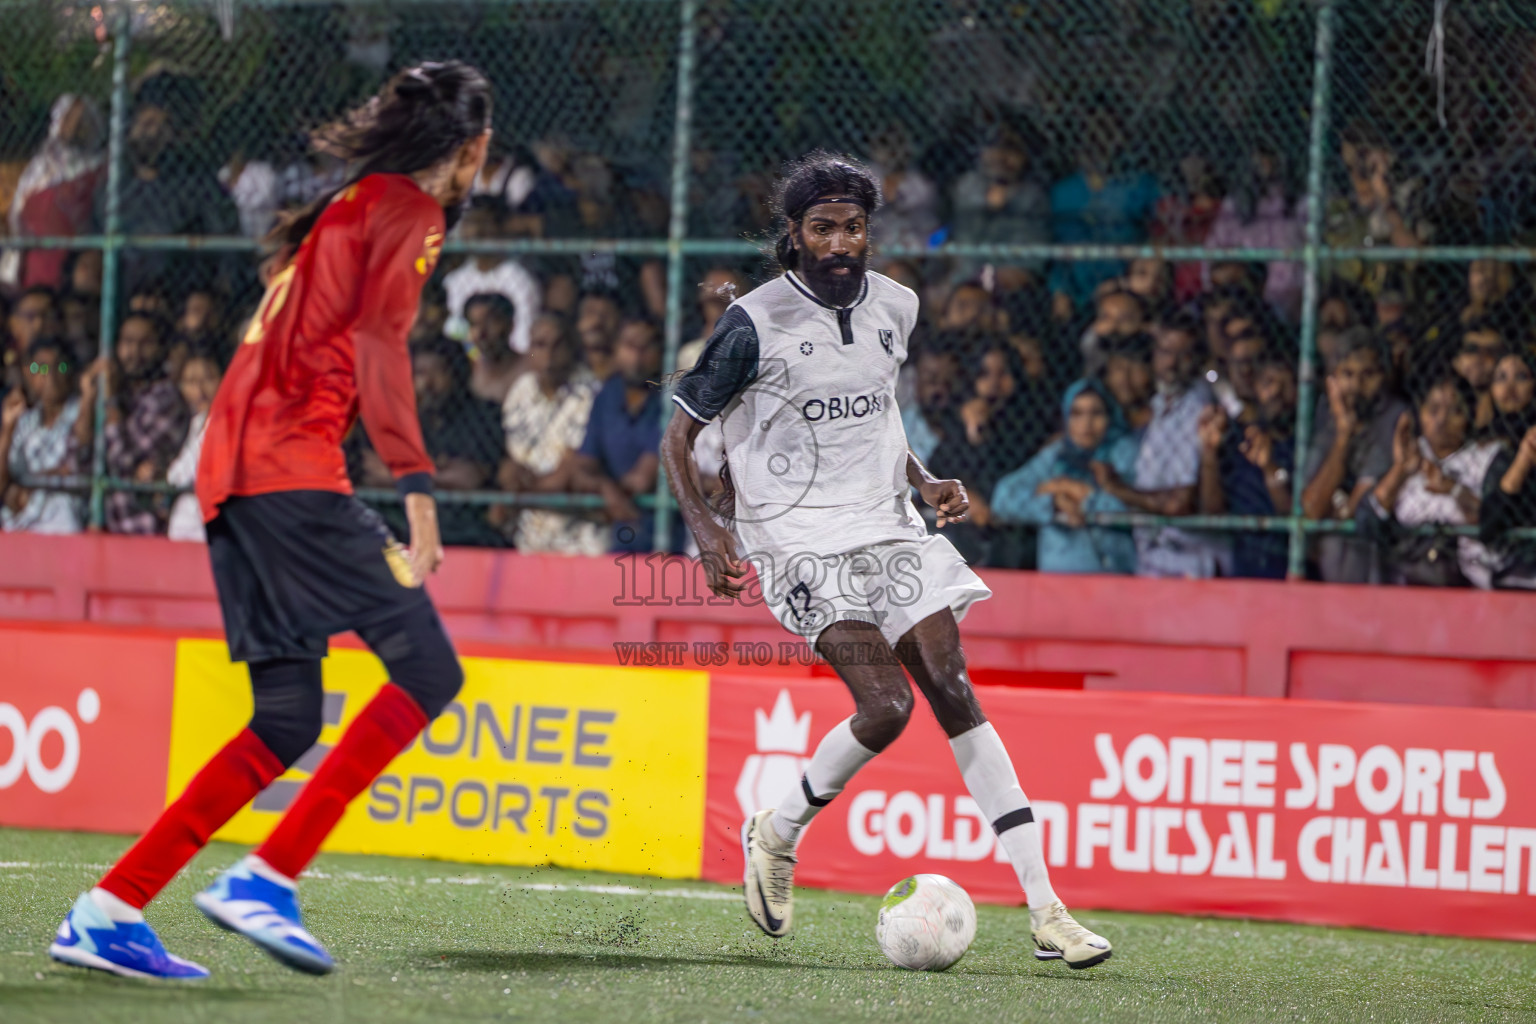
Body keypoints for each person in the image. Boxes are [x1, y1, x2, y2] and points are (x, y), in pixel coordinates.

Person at [48, 61, 492, 982]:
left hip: (232, 474)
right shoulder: (414, 209)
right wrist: (416, 486)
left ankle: (109, 907)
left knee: (287, 717)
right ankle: (269, 877)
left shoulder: (354, 199)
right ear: (473, 149)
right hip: (293, 471)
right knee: (428, 668)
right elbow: (379, 341)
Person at [660, 153, 1111, 968]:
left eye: (854, 227)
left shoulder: (896, 305)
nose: (841, 242)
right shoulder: (752, 322)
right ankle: (778, 829)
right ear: (794, 236)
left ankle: (1049, 912)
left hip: (887, 521)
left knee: (953, 688)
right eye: (823, 228)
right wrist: (707, 532)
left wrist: (923, 477)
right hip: (795, 538)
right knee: (888, 707)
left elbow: (878, 410)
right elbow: (681, 433)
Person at [1094, 316, 1231, 579]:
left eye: (1184, 354)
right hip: (1154, 563)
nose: (1171, 363)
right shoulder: (1158, 407)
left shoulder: (1200, 408)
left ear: (1197, 359)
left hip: (1191, 564)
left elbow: (1180, 503)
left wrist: (1118, 489)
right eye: (1166, 352)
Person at [1360, 374, 1500, 587]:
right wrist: (1401, 469)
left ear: (1469, 418)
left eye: (1455, 411)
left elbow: (1494, 523)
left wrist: (1452, 489)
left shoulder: (1483, 458)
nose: (1441, 420)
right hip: (1408, 573)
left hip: (1469, 577)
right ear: (1420, 414)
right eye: (1433, 410)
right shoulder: (1410, 452)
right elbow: (1367, 520)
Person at [991, 379, 1139, 574]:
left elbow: (1131, 507)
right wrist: (1053, 502)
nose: (1086, 423)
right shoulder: (1056, 455)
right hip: (1057, 581)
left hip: (1113, 575)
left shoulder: (1124, 453)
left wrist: (1083, 496)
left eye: (1096, 413)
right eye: (1076, 413)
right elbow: (1002, 497)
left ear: (1110, 416)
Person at [1301, 327, 1409, 583]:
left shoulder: (1395, 417)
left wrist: (1337, 507)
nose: (1357, 386)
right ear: (1333, 381)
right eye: (1347, 374)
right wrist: (1343, 434)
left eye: (1368, 374)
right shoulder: (1326, 414)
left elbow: (1358, 511)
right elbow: (1311, 508)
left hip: (1381, 556)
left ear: (1384, 376)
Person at [572, 317, 683, 553]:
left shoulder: (670, 400)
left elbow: (643, 479)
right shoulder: (606, 396)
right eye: (629, 346)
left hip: (665, 536)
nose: (636, 356)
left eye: (646, 347)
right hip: (618, 534)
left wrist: (605, 489)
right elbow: (583, 465)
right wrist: (605, 487)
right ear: (616, 350)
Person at [496, 312, 603, 554]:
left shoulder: (591, 393)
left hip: (580, 536)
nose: (549, 356)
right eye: (539, 345)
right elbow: (512, 465)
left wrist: (520, 490)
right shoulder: (520, 391)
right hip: (529, 532)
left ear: (572, 348)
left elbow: (570, 471)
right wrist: (518, 482)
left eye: (558, 345)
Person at [78, 312, 189, 536]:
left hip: (144, 530)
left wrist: (109, 399)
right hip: (104, 528)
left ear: (161, 348)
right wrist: (88, 400)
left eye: (145, 343)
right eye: (127, 342)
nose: (134, 352)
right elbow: (77, 458)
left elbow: (124, 462)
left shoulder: (166, 398)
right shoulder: (119, 393)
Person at [2, 95, 105, 291]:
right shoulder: (40, 167)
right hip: (35, 254)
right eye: (69, 118)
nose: (74, 127)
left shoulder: (100, 168)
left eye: (82, 119)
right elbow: (17, 213)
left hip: (76, 258)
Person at [0, 338, 84, 534]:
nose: (51, 376)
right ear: (29, 374)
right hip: (21, 521)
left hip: (63, 518)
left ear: (72, 373)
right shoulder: (24, 421)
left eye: (61, 367)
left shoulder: (81, 413)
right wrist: (8, 427)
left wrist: (30, 483)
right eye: (42, 369)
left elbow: (75, 466)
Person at [441, 196, 540, 355]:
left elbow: (523, 338)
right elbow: (451, 331)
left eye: (484, 223)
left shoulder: (519, 280)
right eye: (470, 223)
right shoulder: (453, 281)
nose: (476, 231)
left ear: (501, 228)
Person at [165, 350, 222, 543]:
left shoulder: (221, 422)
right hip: (185, 527)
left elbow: (181, 475)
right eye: (191, 381)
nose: (200, 389)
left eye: (207, 379)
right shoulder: (195, 422)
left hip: (203, 527)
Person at [463, 292, 522, 405]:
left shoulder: (531, 368)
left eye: (489, 323)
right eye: (474, 324)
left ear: (510, 324)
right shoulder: (465, 371)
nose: (481, 333)